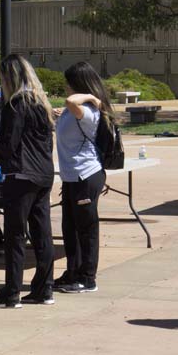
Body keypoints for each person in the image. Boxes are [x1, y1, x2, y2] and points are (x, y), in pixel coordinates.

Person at [0, 55, 56, 308]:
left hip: (22, 174)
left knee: (15, 236)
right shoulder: (41, 103)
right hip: (44, 173)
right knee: (42, 233)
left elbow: (8, 145)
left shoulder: (16, 105)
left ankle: (12, 291)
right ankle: (44, 288)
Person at [54, 61, 113, 294]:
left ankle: (88, 278)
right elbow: (67, 107)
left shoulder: (88, 110)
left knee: (86, 229)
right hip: (71, 177)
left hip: (85, 175)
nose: (66, 88)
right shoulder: (74, 109)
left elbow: (71, 102)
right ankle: (73, 271)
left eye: (69, 83)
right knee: (70, 228)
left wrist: (89, 97)